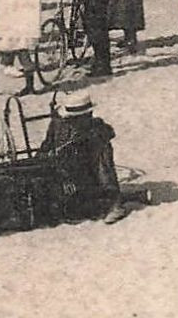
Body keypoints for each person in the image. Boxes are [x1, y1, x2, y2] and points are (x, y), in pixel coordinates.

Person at [41, 94, 129, 224]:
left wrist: (88, 137)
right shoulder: (58, 124)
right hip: (64, 172)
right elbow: (46, 145)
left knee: (102, 152)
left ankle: (115, 203)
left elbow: (108, 132)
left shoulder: (96, 128)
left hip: (85, 173)